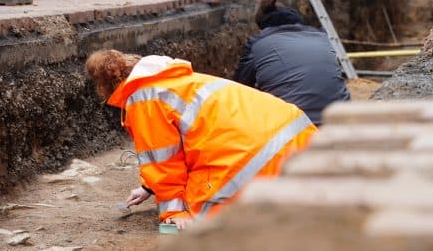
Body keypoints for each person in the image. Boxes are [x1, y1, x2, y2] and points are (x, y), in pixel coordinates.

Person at [85, 49, 317, 231]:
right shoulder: (177, 79)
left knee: (202, 217)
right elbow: (191, 136)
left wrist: (174, 213)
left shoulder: (144, 98)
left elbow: (163, 161)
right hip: (302, 139)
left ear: (105, 85)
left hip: (260, 159)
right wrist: (149, 187)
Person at [234, 0, 350, 125]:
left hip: (295, 129)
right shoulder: (322, 37)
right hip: (341, 120)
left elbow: (239, 88)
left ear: (264, 27)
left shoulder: (258, 43)